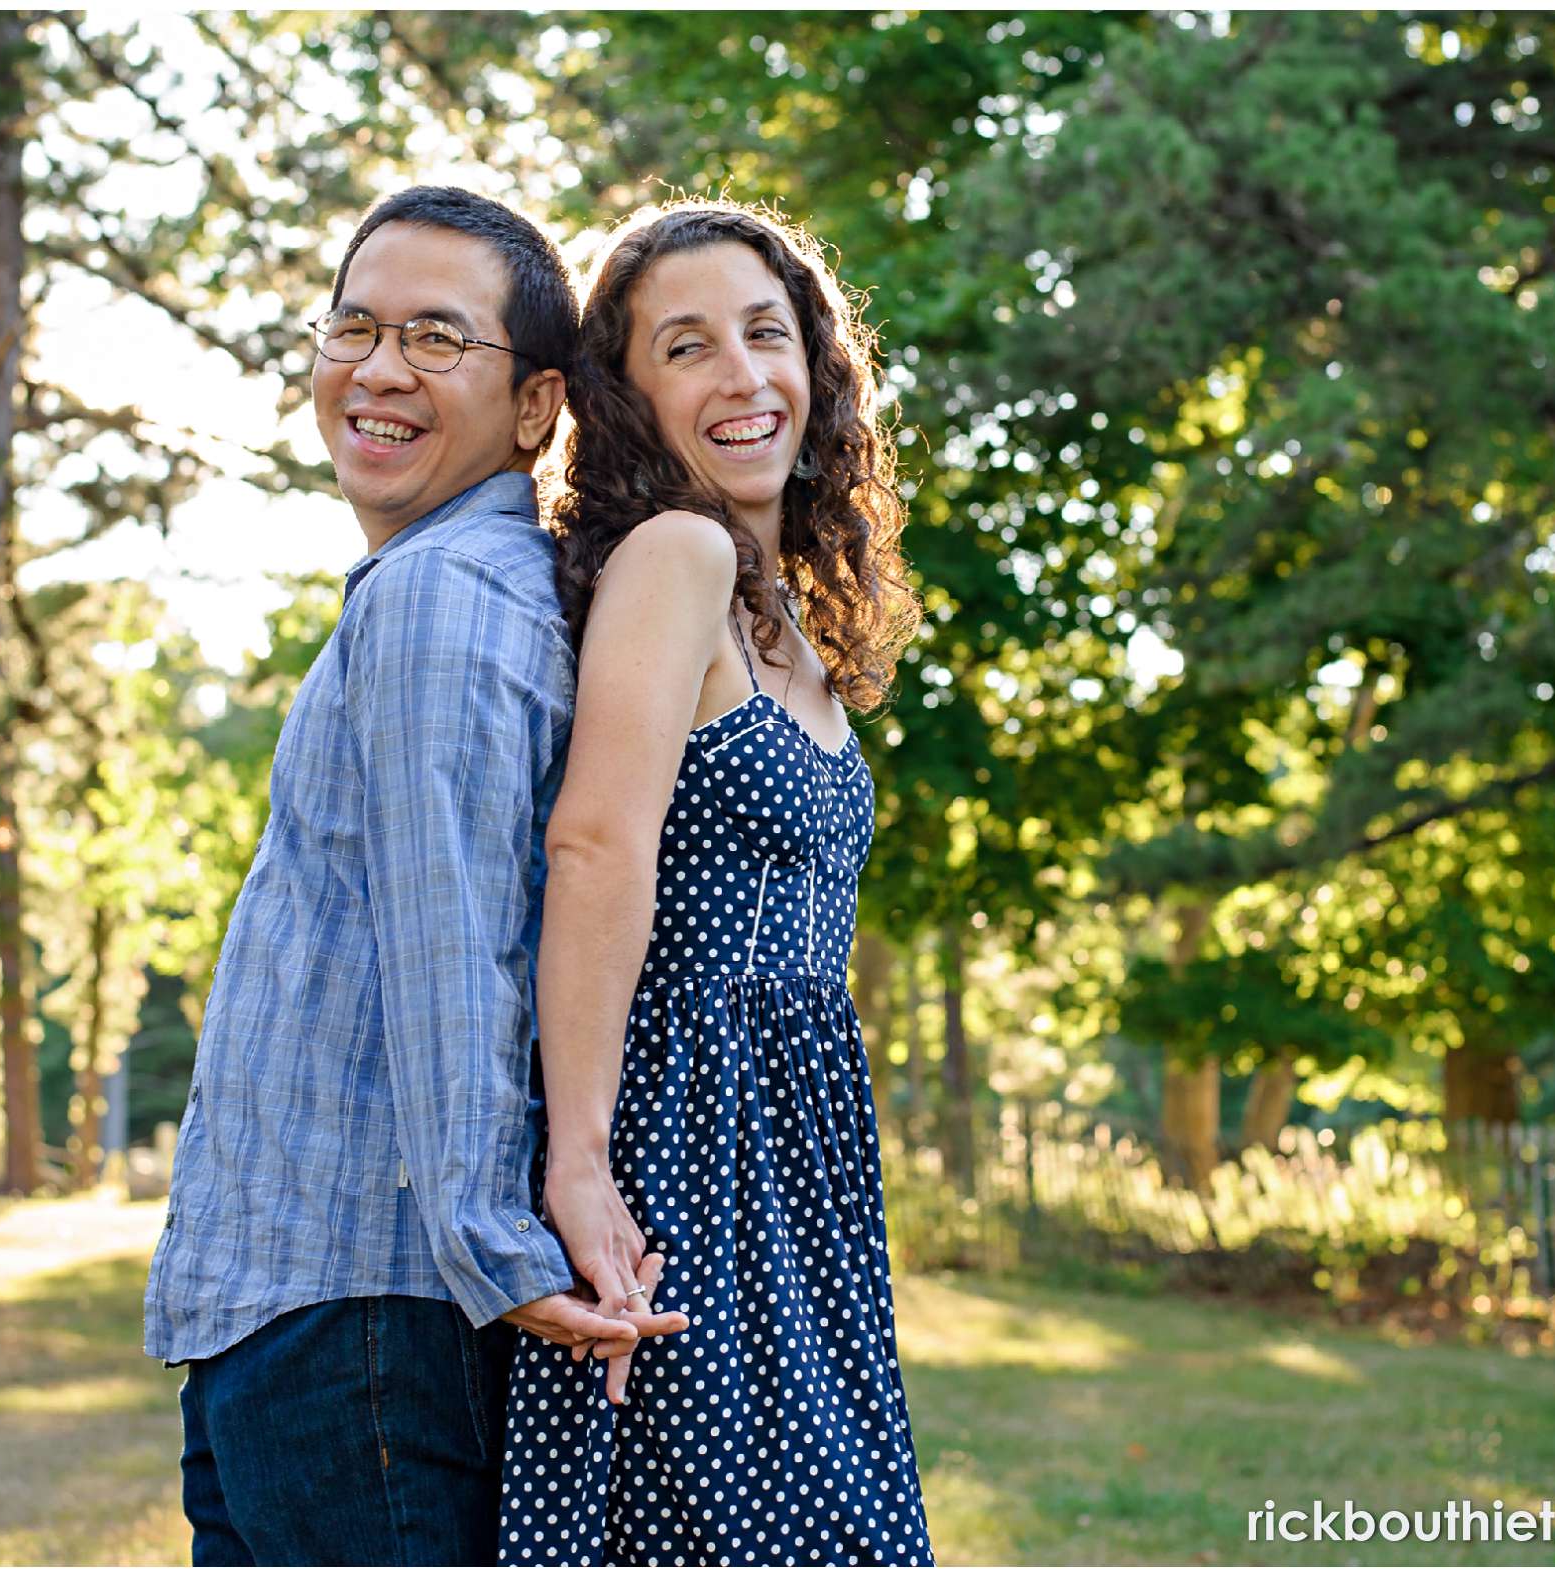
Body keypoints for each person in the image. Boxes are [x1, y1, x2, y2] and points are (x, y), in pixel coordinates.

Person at [143, 185, 685, 1566]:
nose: (379, 369)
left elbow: (459, 955)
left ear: (534, 406)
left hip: (356, 1316)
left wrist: (489, 1245)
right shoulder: (457, 584)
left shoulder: (443, 598)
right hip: (317, 1309)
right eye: (355, 326)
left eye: (438, 339)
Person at [496, 199, 933, 1565]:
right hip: (685, 1131)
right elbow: (595, 843)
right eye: (688, 349)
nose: (745, 378)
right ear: (626, 396)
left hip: (795, 1142)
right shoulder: (675, 556)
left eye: (767, 333)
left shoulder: (781, 601)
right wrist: (577, 1158)